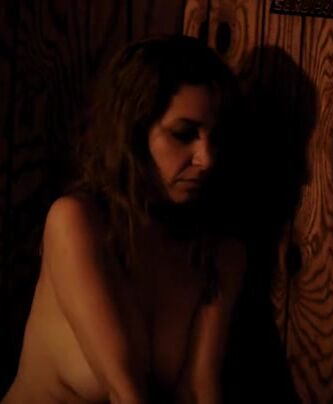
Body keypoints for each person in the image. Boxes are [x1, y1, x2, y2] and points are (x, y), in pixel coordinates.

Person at [1, 34, 249, 404]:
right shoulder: (76, 221)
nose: (206, 158)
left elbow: (199, 388)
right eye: (183, 134)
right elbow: (125, 391)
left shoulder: (218, 252)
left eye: (217, 137)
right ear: (134, 132)